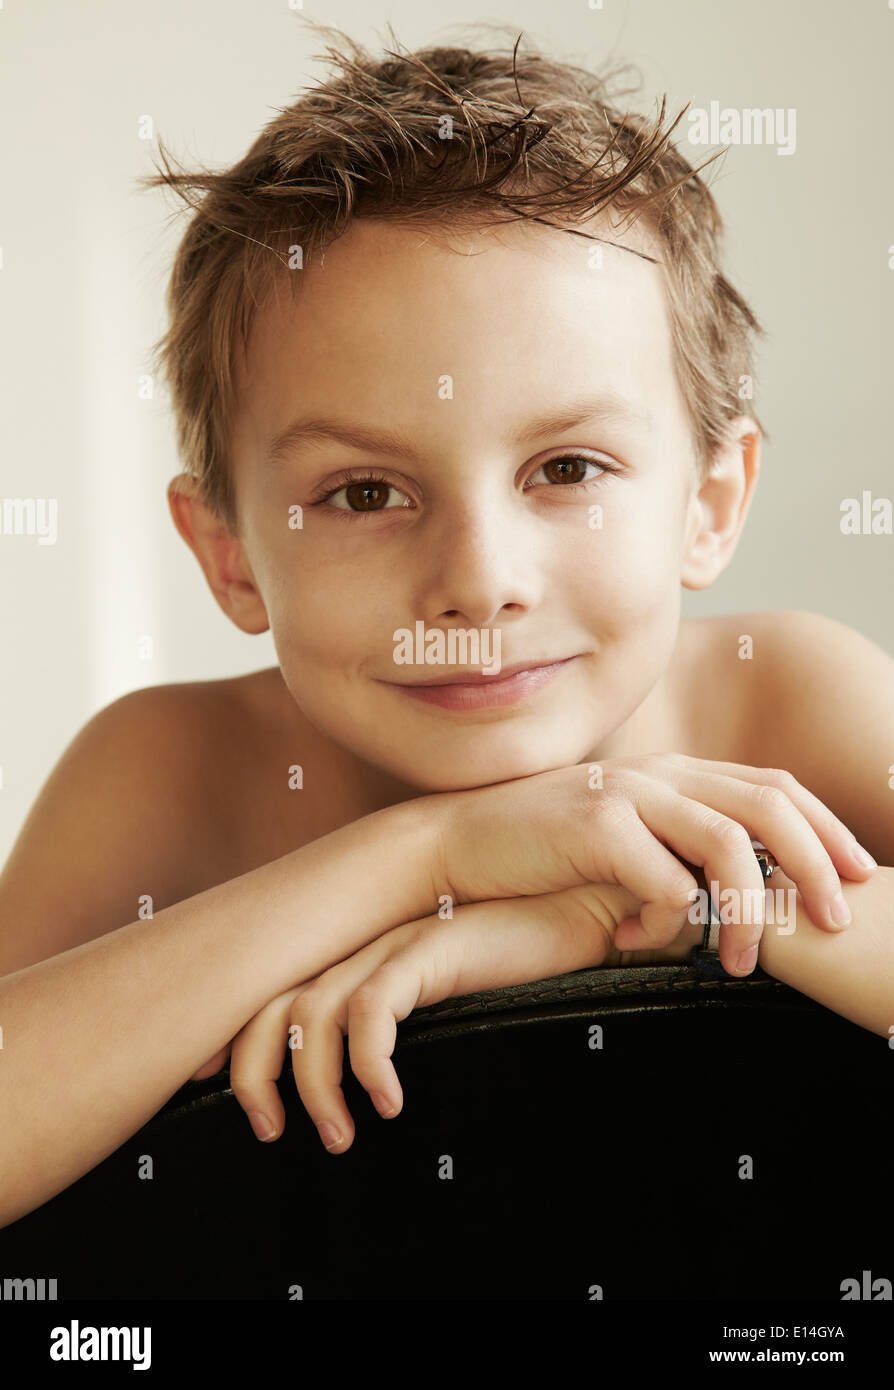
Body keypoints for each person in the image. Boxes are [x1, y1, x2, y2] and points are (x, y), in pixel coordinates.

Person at [0, 23, 891, 1228]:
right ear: (229, 553)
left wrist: (671, 908)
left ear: (710, 502)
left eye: (567, 467)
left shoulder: (785, 698)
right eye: (365, 493)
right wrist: (419, 858)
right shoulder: (171, 772)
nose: (480, 583)